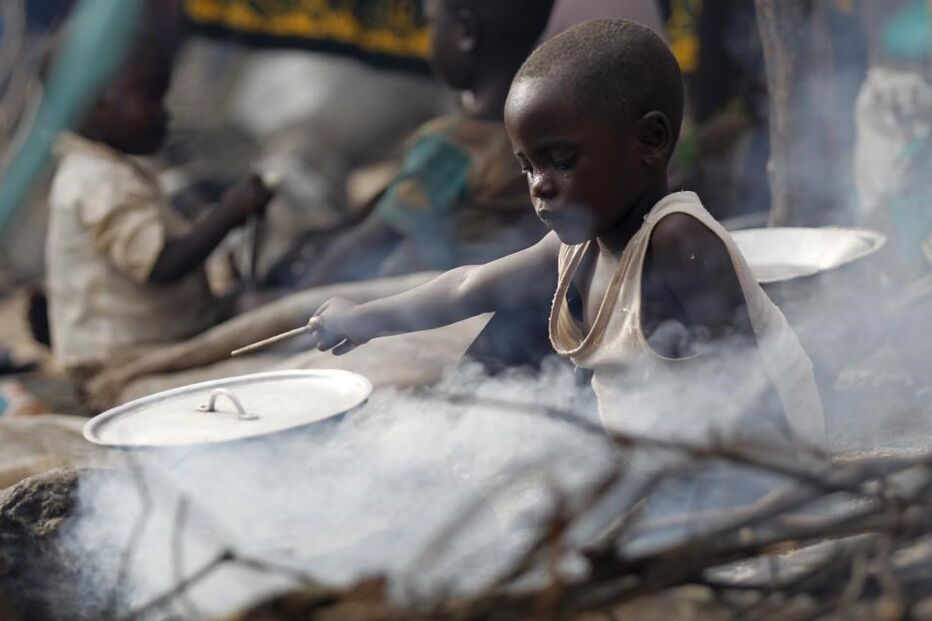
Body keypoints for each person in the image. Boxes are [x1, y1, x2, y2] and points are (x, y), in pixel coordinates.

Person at [298, 18, 825, 444]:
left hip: (758, 452)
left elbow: (750, 387)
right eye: (528, 167)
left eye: (562, 161)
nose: (540, 187)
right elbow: (468, 286)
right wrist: (363, 319)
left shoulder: (676, 240)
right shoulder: (578, 246)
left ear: (651, 141)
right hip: (663, 448)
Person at [45, 10, 274, 378]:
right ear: (96, 101)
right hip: (126, 360)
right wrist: (230, 213)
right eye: (150, 98)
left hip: (142, 345)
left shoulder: (112, 167)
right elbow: (162, 265)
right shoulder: (98, 180)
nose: (163, 114)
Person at [264, 0, 553, 289]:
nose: (429, 40)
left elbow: (368, 240)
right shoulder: (541, 133)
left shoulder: (453, 144)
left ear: (465, 31)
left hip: (431, 302)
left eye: (432, 25)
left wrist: (287, 301)